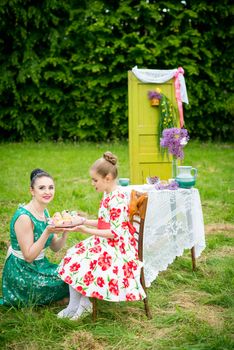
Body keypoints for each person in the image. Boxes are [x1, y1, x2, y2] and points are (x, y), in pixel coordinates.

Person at [57, 151, 146, 320]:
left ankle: (84, 304)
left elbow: (114, 233)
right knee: (74, 254)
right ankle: (74, 305)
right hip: (107, 241)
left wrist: (84, 230)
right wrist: (82, 220)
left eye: (95, 180)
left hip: (118, 248)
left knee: (85, 260)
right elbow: (104, 222)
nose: (92, 183)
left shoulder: (118, 199)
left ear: (108, 178)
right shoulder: (108, 194)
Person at [1, 168, 70, 307]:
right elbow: (28, 257)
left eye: (51, 187)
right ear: (32, 191)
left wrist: (66, 230)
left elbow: (55, 247)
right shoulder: (24, 217)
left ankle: (66, 300)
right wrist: (47, 232)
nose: (47, 192)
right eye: (42, 188)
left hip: (40, 265)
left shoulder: (44, 210)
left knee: (71, 275)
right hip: (22, 271)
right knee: (67, 282)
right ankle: (61, 300)